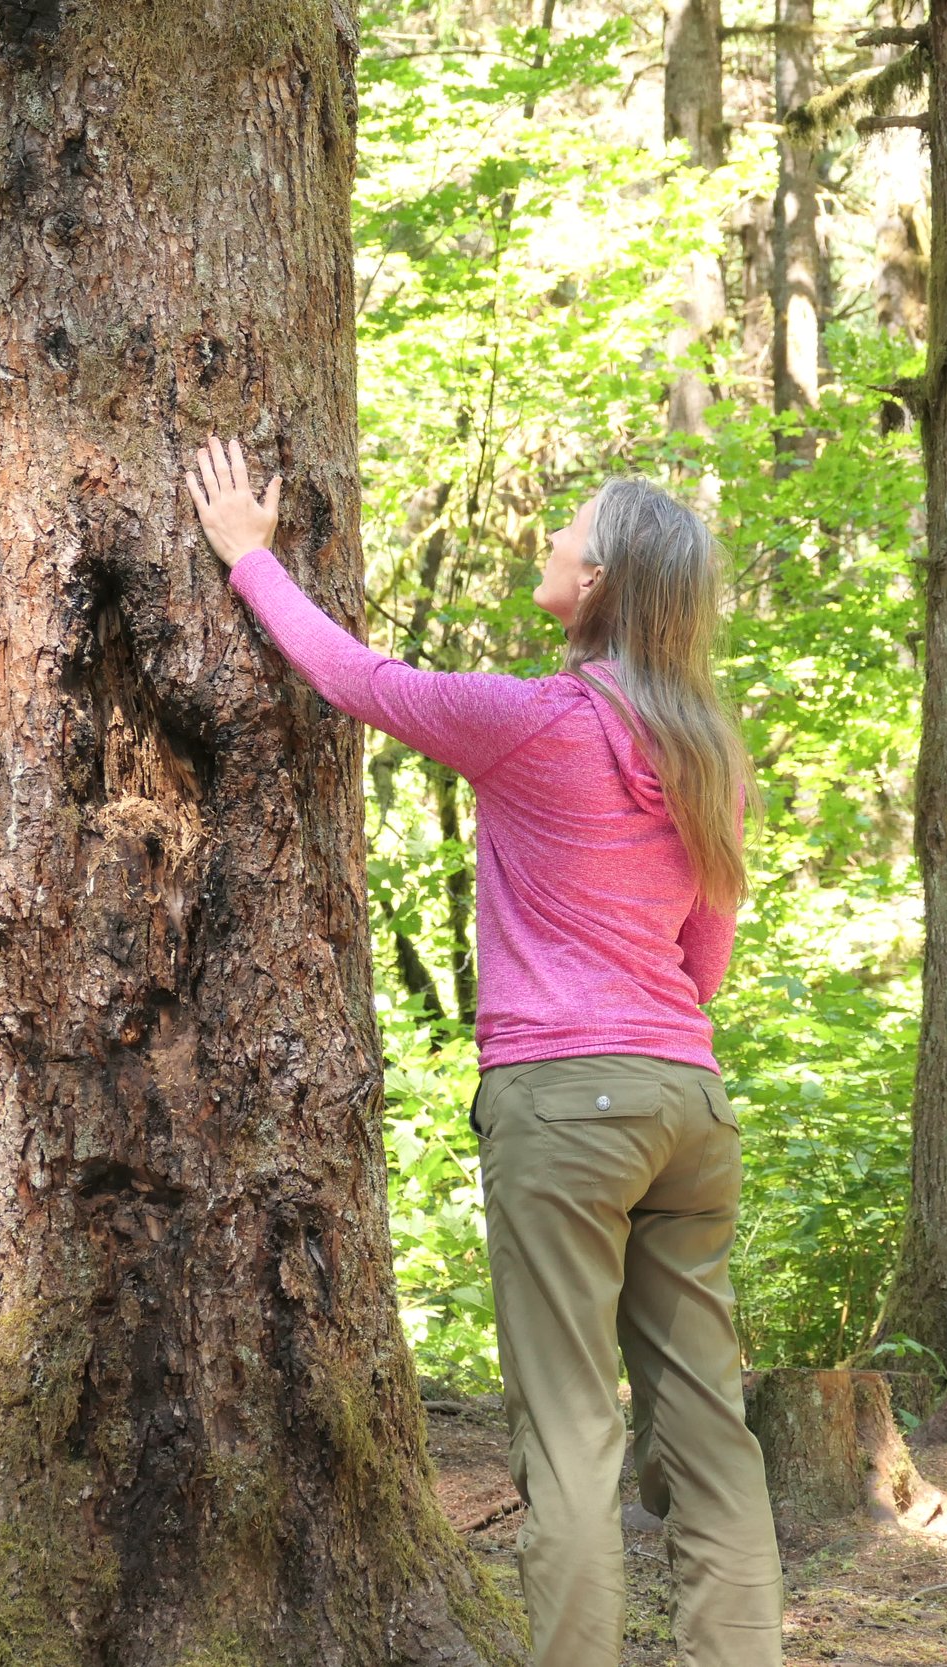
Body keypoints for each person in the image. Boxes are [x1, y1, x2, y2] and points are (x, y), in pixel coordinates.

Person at [185, 437, 784, 1667]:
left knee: (571, 1435)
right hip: (688, 1103)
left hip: (566, 1104)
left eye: (568, 529)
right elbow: (702, 968)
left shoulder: (534, 723)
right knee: (710, 1433)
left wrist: (248, 557)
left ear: (602, 573)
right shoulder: (709, 756)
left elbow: (354, 676)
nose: (548, 542)